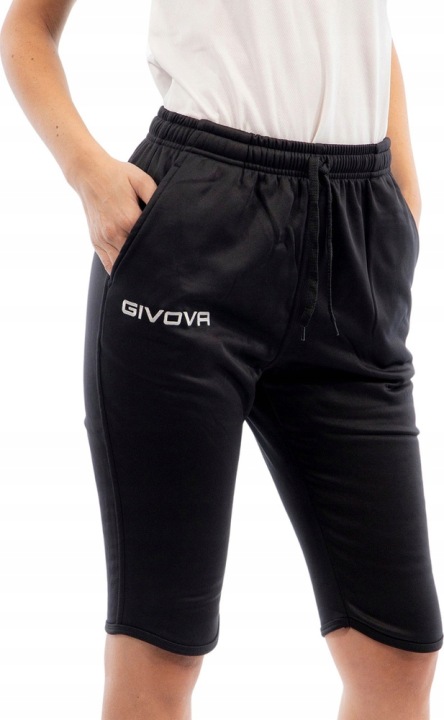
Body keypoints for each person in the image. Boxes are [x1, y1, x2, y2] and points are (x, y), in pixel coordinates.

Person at [1, 1, 442, 718]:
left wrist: (401, 192)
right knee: (162, 647)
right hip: (197, 228)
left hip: (357, 238)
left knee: (400, 653)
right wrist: (88, 173)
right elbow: (29, 26)